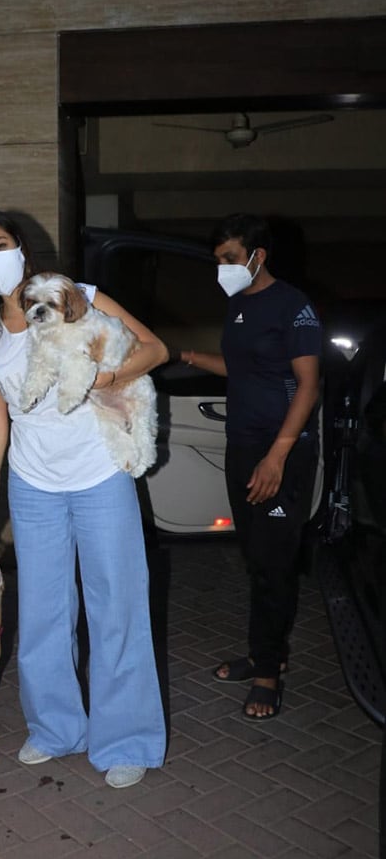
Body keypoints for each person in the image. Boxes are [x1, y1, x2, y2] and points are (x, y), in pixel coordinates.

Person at [0, 207, 170, 788]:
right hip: (34, 486)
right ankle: (55, 729)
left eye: (0, 244)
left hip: (100, 475)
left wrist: (107, 377)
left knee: (116, 607)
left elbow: (154, 348)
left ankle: (126, 740)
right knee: (45, 615)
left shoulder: (80, 295)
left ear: (21, 248)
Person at [181, 213, 321, 721]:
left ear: (259, 256)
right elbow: (242, 368)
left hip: (282, 449)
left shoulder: (294, 306)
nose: (222, 268)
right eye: (218, 260)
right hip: (241, 446)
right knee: (256, 558)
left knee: (274, 564)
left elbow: (308, 384)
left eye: (231, 258)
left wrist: (277, 457)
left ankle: (268, 674)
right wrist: (189, 356)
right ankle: (265, 653)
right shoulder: (238, 307)